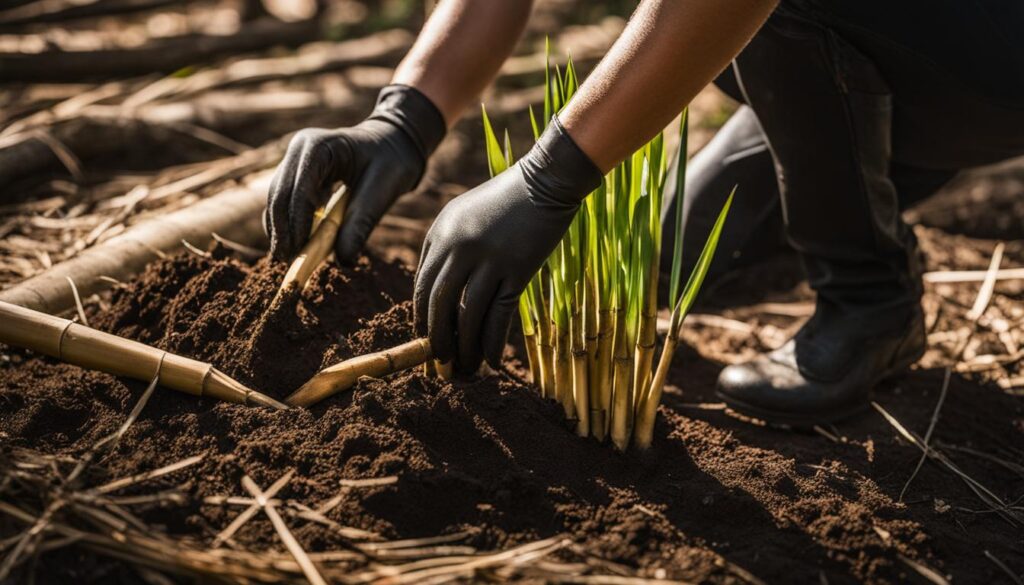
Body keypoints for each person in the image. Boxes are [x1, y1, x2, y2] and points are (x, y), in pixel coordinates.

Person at [264, 0, 1024, 426]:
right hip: (885, 54)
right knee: (658, 258)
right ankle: (863, 184)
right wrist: (405, 119)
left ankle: (869, 298)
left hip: (988, 51)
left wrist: (549, 176)